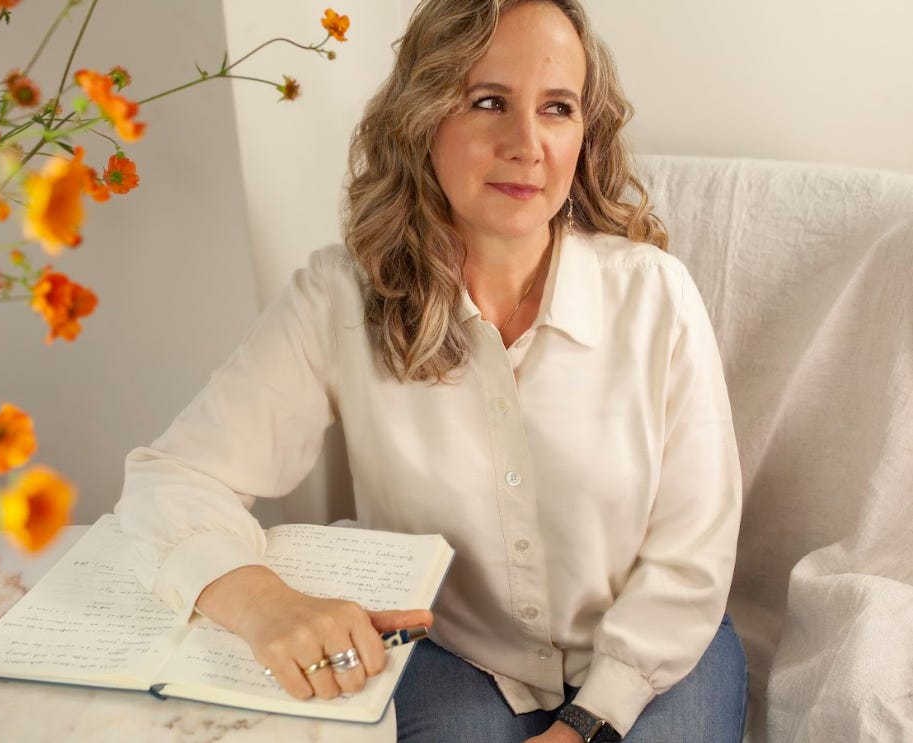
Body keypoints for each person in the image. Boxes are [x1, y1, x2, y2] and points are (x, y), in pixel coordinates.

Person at [115, 0, 748, 740]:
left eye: (557, 109)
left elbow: (691, 551)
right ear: (422, 119)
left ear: (586, 133)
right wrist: (263, 603)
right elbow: (173, 477)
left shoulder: (655, 294)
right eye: (487, 102)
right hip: (458, 656)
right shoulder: (338, 296)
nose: (526, 143)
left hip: (660, 651)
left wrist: (586, 723)